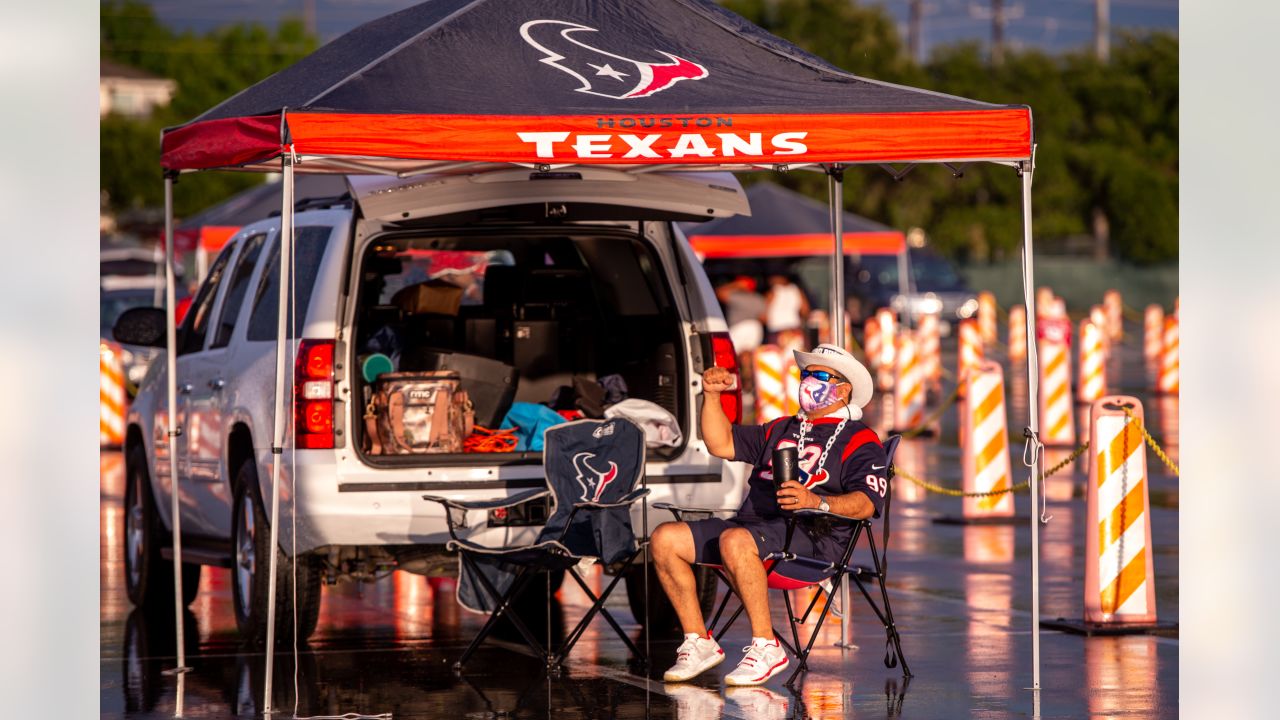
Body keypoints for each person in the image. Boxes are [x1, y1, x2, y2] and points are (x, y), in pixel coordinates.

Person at [652, 343, 888, 686]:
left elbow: (867, 503)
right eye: (805, 374)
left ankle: (767, 645)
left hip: (812, 540)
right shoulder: (781, 427)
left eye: (820, 375)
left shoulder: (859, 439)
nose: (808, 381)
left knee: (735, 540)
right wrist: (712, 396)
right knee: (665, 538)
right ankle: (698, 640)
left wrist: (816, 501)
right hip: (752, 530)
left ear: (844, 389)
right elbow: (720, 443)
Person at [715, 275, 766, 360]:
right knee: (748, 356)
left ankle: (741, 372)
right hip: (755, 328)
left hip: (738, 328)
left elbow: (719, 293)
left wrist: (735, 285)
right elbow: (764, 318)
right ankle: (748, 372)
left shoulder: (736, 296)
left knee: (732, 356)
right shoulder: (759, 298)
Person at [763, 273, 810, 344]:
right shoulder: (797, 291)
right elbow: (805, 311)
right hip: (794, 328)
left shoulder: (771, 293)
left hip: (777, 331)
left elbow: (764, 316)